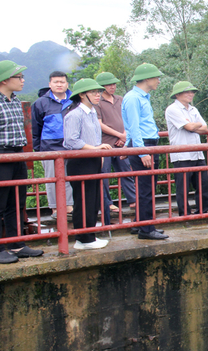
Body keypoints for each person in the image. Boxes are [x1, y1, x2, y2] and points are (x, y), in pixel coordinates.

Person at [0, 61, 44, 264]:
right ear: (4, 80)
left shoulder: (15, 101)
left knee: (16, 202)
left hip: (17, 155)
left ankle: (17, 244)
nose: (23, 81)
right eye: (19, 77)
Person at [63, 79, 113, 249]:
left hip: (93, 158)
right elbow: (71, 140)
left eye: (98, 92)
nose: (97, 95)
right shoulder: (74, 115)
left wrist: (97, 151)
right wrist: (95, 148)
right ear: (82, 95)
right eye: (93, 92)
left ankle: (89, 235)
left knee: (93, 200)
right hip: (80, 161)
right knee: (83, 200)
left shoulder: (92, 113)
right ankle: (82, 239)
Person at [122, 63, 169, 240]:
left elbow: (132, 125)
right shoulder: (133, 98)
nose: (158, 81)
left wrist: (128, 145)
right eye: (156, 77)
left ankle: (142, 223)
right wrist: (141, 152)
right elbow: (133, 126)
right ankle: (146, 229)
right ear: (147, 79)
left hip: (145, 143)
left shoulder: (143, 97)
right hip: (144, 145)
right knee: (146, 188)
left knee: (148, 187)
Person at [165, 81, 208, 217]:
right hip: (181, 153)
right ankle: (184, 214)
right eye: (188, 92)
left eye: (192, 92)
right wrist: (195, 126)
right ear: (178, 94)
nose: (191, 94)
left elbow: (205, 128)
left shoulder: (193, 109)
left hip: (197, 153)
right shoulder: (172, 109)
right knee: (183, 187)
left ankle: (203, 211)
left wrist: (193, 126)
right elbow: (190, 127)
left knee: (203, 184)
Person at [31, 71, 74, 218]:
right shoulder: (40, 103)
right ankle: (55, 209)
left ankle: (69, 207)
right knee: (52, 179)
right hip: (49, 148)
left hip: (72, 147)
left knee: (70, 177)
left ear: (67, 84)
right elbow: (35, 129)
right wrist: (38, 151)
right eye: (56, 82)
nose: (59, 84)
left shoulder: (74, 100)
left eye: (62, 82)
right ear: (50, 84)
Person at [94, 72, 136, 219]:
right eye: (108, 84)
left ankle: (133, 199)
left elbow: (127, 118)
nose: (112, 86)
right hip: (105, 143)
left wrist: (124, 135)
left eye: (113, 83)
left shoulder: (120, 99)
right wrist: (119, 135)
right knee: (104, 174)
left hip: (121, 142)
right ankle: (107, 203)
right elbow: (99, 124)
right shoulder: (97, 102)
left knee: (126, 171)